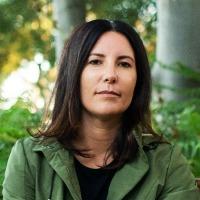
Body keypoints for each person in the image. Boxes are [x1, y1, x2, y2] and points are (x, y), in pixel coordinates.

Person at [3, 19, 200, 200]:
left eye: (124, 64)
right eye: (95, 61)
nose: (110, 75)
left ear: (138, 81)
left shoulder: (165, 162)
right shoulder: (30, 158)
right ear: (73, 74)